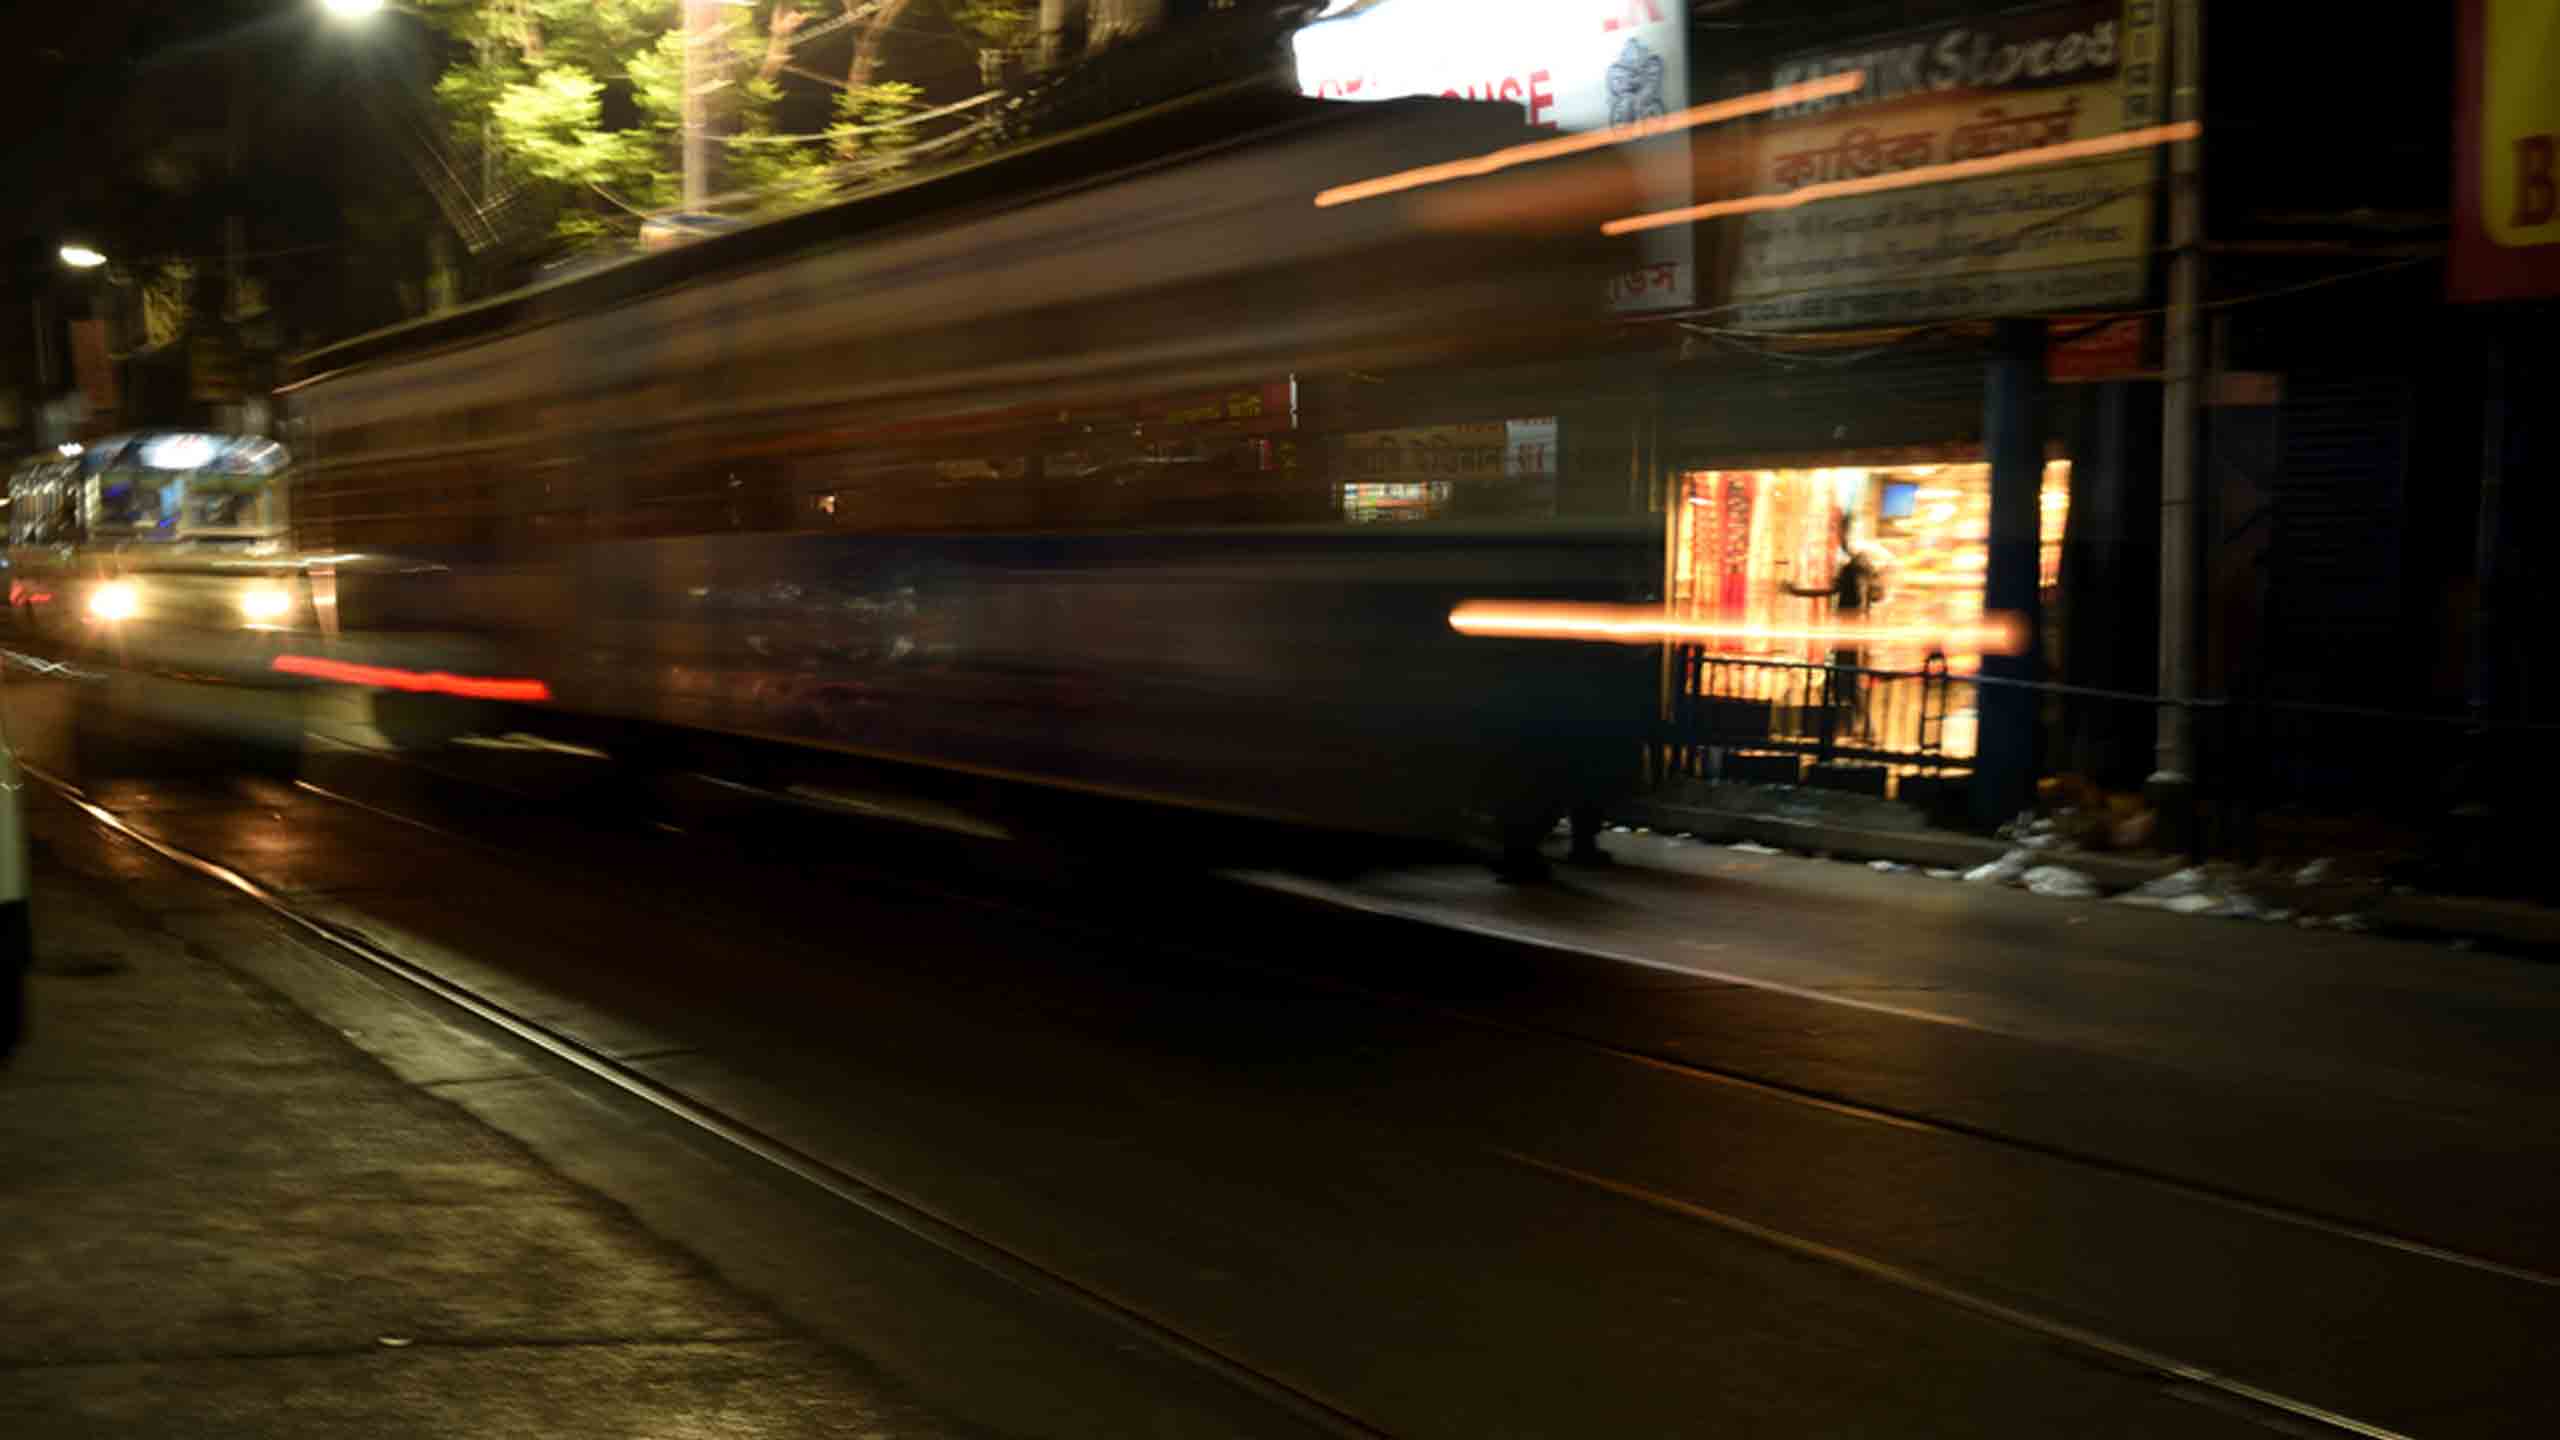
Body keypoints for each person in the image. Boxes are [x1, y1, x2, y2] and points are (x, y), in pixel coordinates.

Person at [1783, 512, 1890, 740]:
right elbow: (1877, 595)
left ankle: (1858, 731)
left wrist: (1795, 591)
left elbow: (1832, 591)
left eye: (1840, 531)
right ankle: (1858, 730)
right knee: (1847, 681)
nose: (1839, 537)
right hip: (1856, 630)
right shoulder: (1863, 566)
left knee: (1845, 681)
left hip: (1849, 631)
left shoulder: (1854, 566)